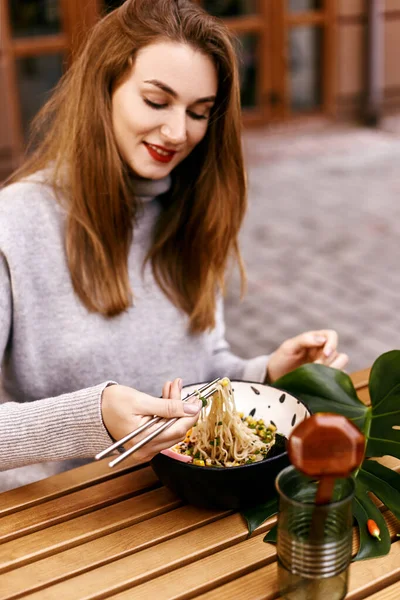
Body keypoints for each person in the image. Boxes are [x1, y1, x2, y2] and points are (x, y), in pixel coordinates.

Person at [0, 0, 348, 489]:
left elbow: (199, 368)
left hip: (180, 508)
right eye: (157, 101)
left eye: (199, 112)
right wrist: (92, 415)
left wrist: (265, 371)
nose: (178, 132)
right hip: (58, 525)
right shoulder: (13, 223)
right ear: (105, 89)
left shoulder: (190, 210)